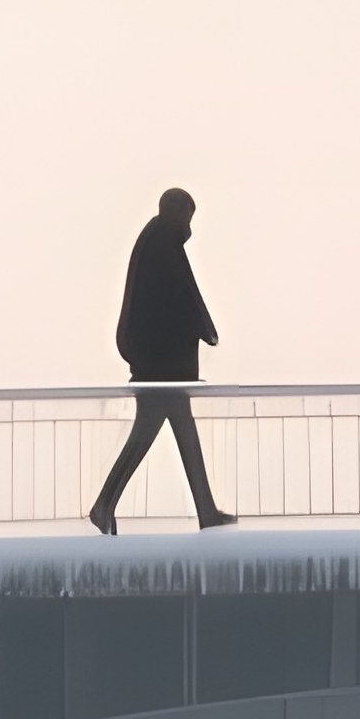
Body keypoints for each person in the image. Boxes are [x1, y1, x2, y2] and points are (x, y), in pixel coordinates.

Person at [88, 189, 235, 535]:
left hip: (160, 365)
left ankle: (203, 509)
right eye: (188, 217)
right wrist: (205, 330)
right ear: (177, 213)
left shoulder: (156, 239)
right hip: (162, 367)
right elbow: (181, 298)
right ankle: (105, 505)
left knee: (174, 434)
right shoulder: (164, 243)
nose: (190, 228)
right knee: (154, 436)